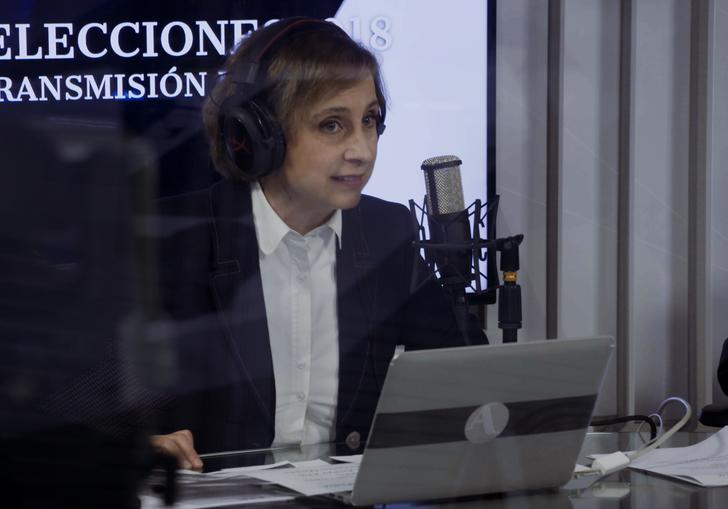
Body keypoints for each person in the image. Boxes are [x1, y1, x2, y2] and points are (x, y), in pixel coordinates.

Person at [149, 17, 483, 471]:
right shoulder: (176, 236)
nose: (362, 150)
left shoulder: (386, 231)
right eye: (332, 125)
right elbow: (82, 407)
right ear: (255, 134)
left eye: (370, 120)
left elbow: (469, 378)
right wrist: (138, 446)